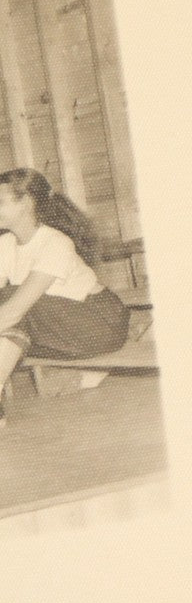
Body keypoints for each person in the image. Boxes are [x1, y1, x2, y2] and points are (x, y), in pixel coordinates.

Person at [0, 169, 130, 427]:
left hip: (100, 323)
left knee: (14, 301)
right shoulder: (5, 244)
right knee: (9, 301)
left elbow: (14, 311)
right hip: (55, 323)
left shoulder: (54, 243)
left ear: (26, 202)